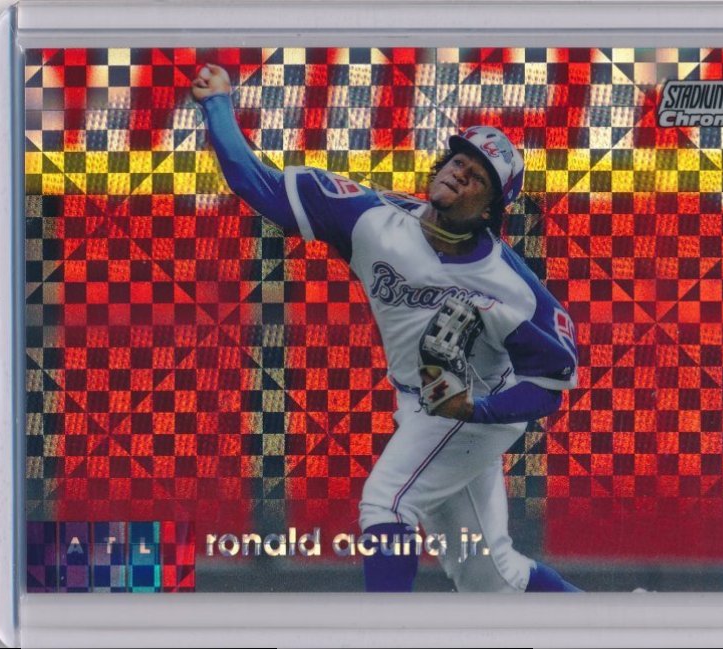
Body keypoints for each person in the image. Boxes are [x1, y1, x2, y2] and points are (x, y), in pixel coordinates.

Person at [192, 63, 581, 592]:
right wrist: (217, 104)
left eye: (477, 175)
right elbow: (254, 183)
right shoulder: (373, 220)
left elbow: (550, 383)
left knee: (387, 503)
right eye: (458, 160)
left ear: (492, 207)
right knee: (492, 579)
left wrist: (476, 410)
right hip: (422, 403)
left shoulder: (510, 285)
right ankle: (609, 624)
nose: (459, 172)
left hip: (475, 405)